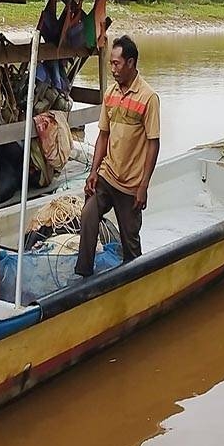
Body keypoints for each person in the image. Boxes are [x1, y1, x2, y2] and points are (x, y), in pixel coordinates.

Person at [74, 35, 160, 277]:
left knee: (130, 244)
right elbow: (103, 136)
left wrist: (143, 186)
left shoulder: (148, 98)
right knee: (88, 214)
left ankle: (136, 282)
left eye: (117, 64)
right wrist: (93, 172)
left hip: (131, 185)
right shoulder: (110, 94)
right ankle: (84, 276)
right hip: (107, 175)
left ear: (131, 63)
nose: (113, 69)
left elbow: (154, 144)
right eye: (111, 63)